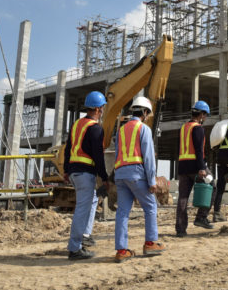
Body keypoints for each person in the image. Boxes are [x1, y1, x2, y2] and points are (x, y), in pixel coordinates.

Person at [113, 96, 165, 263]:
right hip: (136, 173)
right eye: (148, 114)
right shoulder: (143, 129)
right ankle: (150, 243)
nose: (148, 116)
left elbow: (116, 154)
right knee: (150, 206)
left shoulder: (120, 130)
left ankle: (121, 251)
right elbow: (148, 158)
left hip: (120, 173)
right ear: (144, 112)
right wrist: (151, 181)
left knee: (122, 213)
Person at [64, 91, 109, 260]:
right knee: (82, 210)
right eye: (103, 107)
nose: (103, 110)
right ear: (98, 109)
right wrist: (104, 178)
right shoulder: (95, 128)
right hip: (84, 173)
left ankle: (84, 236)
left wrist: (66, 170)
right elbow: (98, 155)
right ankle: (75, 248)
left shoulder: (77, 124)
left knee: (91, 202)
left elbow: (68, 148)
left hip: (75, 172)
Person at [175, 100, 214, 236]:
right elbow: (198, 150)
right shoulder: (198, 128)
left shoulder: (184, 127)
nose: (205, 118)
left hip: (182, 166)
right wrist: (202, 168)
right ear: (201, 114)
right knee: (212, 186)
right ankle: (201, 217)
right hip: (195, 166)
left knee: (183, 198)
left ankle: (180, 230)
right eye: (205, 115)